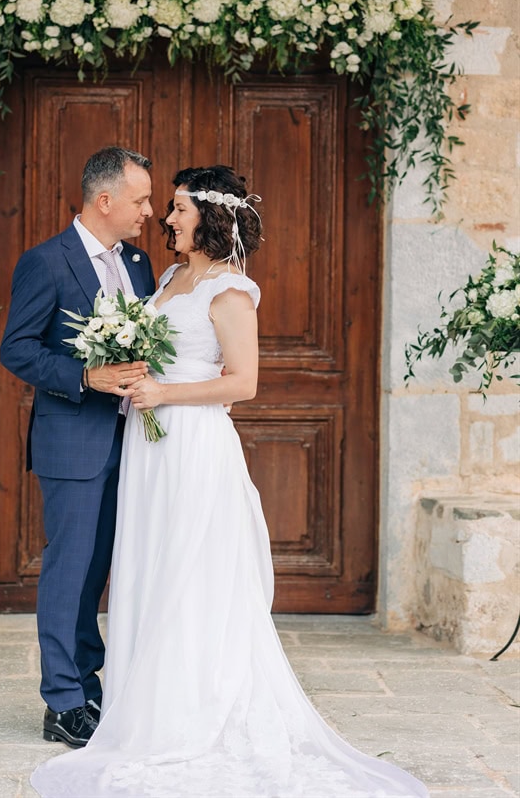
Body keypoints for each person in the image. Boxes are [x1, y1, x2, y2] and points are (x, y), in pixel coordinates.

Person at [31, 165, 428, 797]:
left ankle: (195, 706)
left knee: (193, 569)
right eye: (163, 208)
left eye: (179, 208)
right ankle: (143, 698)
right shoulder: (162, 276)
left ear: (211, 216)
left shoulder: (233, 292)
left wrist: (164, 391)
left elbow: (244, 383)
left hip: (190, 445)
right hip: (148, 448)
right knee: (151, 567)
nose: (166, 217)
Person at [0, 146, 156, 750]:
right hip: (72, 440)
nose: (149, 211)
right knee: (68, 570)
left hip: (133, 441)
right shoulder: (46, 262)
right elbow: (17, 348)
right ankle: (61, 701)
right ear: (105, 199)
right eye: (141, 200)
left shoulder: (140, 264)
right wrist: (85, 377)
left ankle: (89, 685)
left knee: (99, 571)